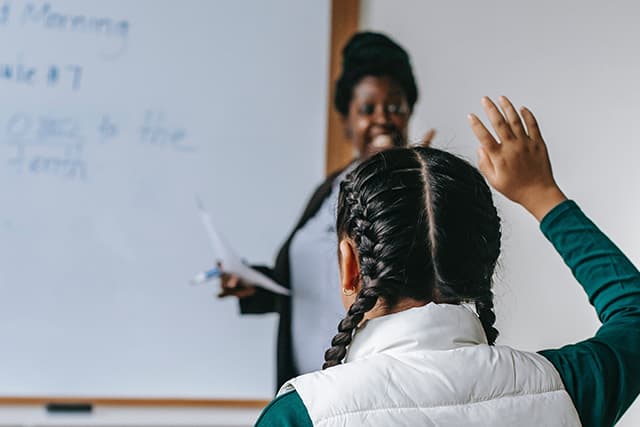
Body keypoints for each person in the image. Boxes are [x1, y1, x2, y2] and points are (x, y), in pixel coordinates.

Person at [254, 96, 640, 426]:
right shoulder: (566, 388)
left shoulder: (303, 416)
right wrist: (542, 195)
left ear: (350, 266)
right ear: (484, 266)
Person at [218, 32, 431, 388]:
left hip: (368, 391)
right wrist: (252, 285)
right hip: (308, 386)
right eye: (367, 108)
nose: (382, 118)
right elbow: (311, 283)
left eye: (394, 107)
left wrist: (416, 178)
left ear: (408, 115)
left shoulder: (414, 193)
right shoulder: (330, 187)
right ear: (347, 122)